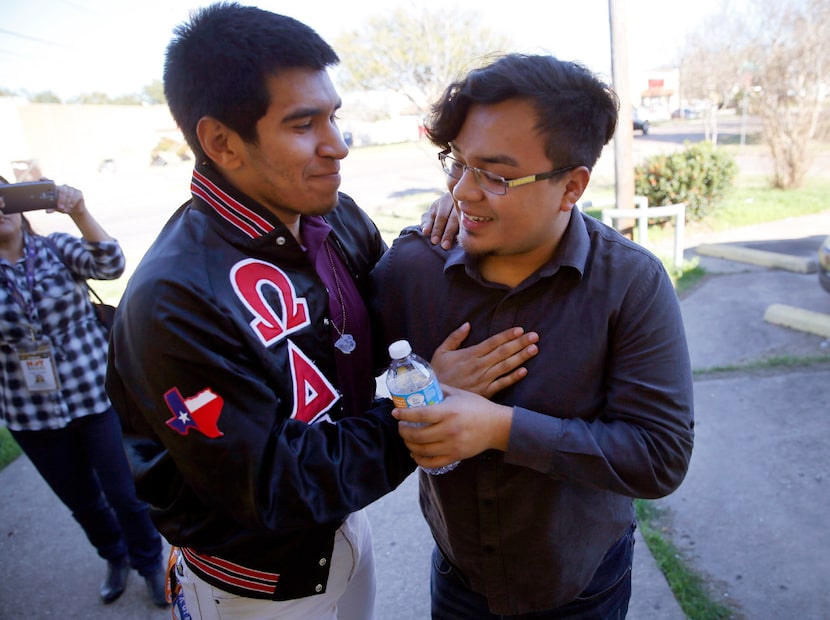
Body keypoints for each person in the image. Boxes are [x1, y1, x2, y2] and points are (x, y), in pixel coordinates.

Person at [105, 4, 538, 619]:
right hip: (251, 586)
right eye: (304, 124)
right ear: (222, 141)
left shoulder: (331, 216)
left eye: (334, 116)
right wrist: (427, 402)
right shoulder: (173, 300)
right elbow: (272, 485)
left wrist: (448, 225)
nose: (337, 145)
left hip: (342, 529)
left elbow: (388, 321)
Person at [370, 53, 695, 618]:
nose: (465, 192)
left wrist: (502, 428)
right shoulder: (414, 266)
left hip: (583, 585)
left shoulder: (629, 284)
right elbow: (324, 380)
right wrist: (423, 389)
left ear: (572, 186)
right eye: (457, 164)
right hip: (459, 576)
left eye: (494, 175)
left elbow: (660, 456)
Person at [0, 179, 167, 607]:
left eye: (4, 196)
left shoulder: (55, 248)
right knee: (82, 501)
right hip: (29, 412)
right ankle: (115, 557)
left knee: (126, 492)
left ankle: (150, 563)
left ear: (21, 203)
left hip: (95, 395)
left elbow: (110, 264)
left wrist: (79, 213)